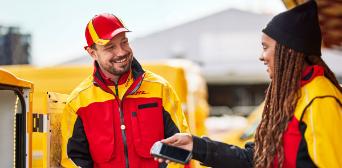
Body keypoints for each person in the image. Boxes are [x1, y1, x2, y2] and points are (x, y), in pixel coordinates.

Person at [155, 1, 342, 168]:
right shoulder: (296, 94)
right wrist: (196, 146)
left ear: (288, 50)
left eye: (266, 47)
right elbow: (256, 159)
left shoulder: (321, 99)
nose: (262, 56)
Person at [60, 13, 189, 168]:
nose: (121, 52)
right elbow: (72, 160)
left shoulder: (160, 88)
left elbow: (181, 148)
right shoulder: (78, 102)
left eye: (124, 42)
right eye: (110, 47)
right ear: (92, 52)